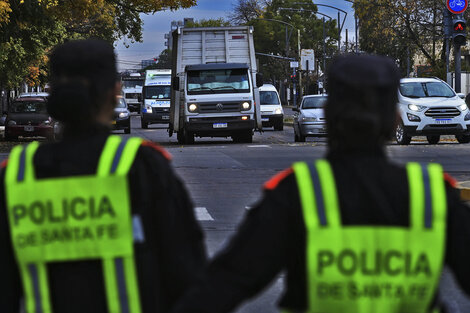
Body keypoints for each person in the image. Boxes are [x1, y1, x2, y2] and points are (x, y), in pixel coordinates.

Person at [171, 54, 470, 313]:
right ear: (395, 120)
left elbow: (224, 284)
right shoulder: (432, 195)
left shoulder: (298, 194)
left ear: (327, 115)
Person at [0, 39, 206, 313]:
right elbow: (188, 278)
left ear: (53, 93)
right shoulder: (143, 167)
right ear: (115, 92)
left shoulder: (16, 177)